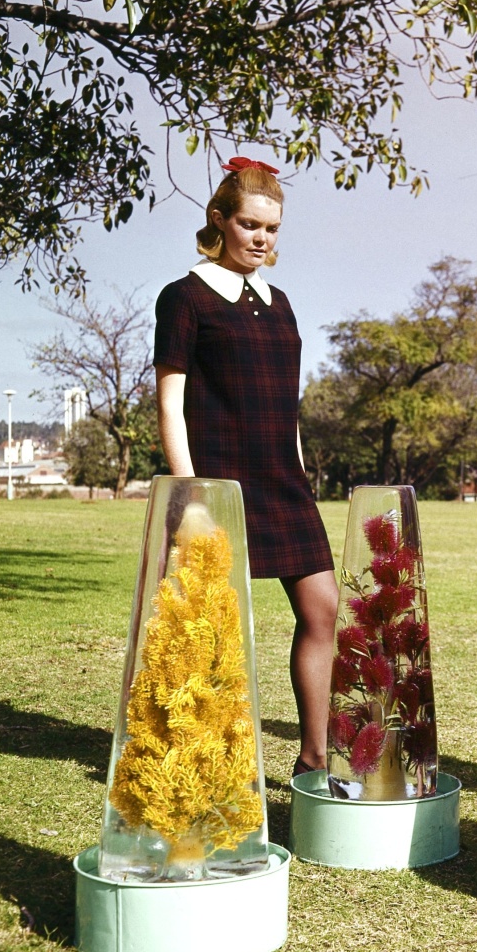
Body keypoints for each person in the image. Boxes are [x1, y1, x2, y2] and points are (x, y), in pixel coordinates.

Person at [154, 157, 338, 777]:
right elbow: (170, 407)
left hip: (284, 483)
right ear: (219, 220)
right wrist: (190, 495)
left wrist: (302, 468)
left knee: (323, 608)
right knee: (209, 630)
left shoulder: (279, 301)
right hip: (217, 485)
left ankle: (314, 756)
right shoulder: (184, 297)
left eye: (273, 229)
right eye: (251, 224)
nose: (262, 238)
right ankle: (202, 757)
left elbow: (285, 400)